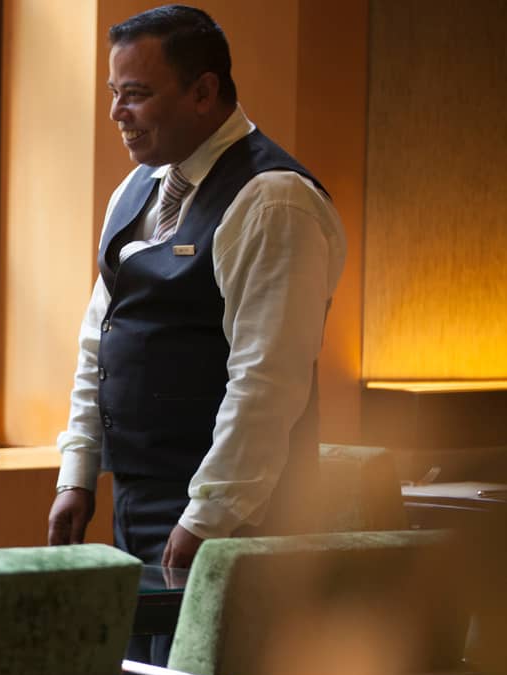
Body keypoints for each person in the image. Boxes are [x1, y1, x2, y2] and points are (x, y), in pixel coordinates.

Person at [48, 4, 345, 574]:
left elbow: (266, 381)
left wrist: (208, 514)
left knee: (209, 667)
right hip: (134, 503)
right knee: (138, 667)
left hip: (234, 518)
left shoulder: (274, 201)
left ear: (203, 92)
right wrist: (78, 471)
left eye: (135, 93)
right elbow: (99, 343)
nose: (116, 112)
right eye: (113, 91)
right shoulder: (137, 189)